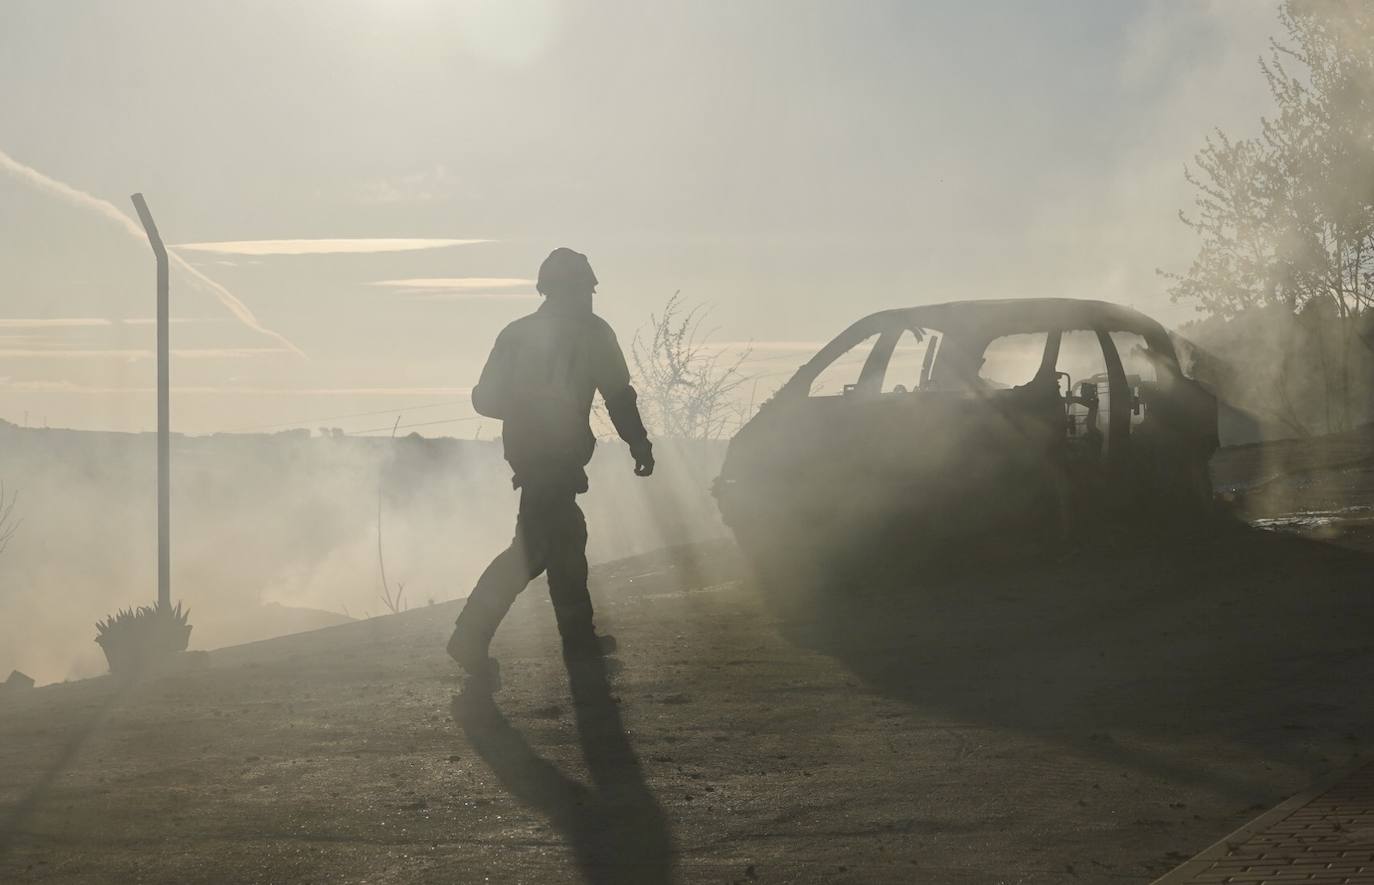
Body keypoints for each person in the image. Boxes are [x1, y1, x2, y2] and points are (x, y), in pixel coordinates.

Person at [447, 248, 654, 686]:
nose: (587, 298)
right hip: (550, 457)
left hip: (533, 454)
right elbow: (619, 395)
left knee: (563, 542)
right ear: (573, 290)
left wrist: (524, 403)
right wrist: (638, 443)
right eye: (583, 290)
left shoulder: (517, 333)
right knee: (534, 550)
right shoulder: (594, 334)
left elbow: (485, 398)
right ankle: (471, 637)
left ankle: (579, 645)